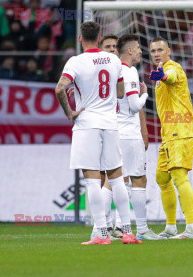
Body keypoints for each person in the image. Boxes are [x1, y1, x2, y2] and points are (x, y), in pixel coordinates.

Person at [55, 21, 140, 245]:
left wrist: (70, 112)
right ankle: (128, 232)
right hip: (111, 124)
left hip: (87, 124)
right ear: (99, 37)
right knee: (117, 178)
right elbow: (120, 92)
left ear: (80, 39)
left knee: (93, 181)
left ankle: (102, 234)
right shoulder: (113, 60)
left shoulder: (76, 61)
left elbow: (60, 88)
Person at [113, 34, 164, 240]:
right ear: (130, 51)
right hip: (130, 135)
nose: (142, 51)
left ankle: (108, 228)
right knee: (139, 179)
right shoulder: (130, 72)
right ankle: (142, 229)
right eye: (138, 48)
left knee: (117, 181)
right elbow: (135, 106)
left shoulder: (114, 70)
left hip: (115, 132)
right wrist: (145, 94)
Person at [148, 37, 193, 239]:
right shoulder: (160, 74)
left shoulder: (172, 68)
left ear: (169, 51)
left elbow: (171, 77)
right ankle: (170, 226)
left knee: (179, 176)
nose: (157, 54)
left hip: (181, 130)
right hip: (168, 134)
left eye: (160, 50)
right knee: (162, 177)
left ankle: (192, 228)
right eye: (153, 51)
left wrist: (163, 75)